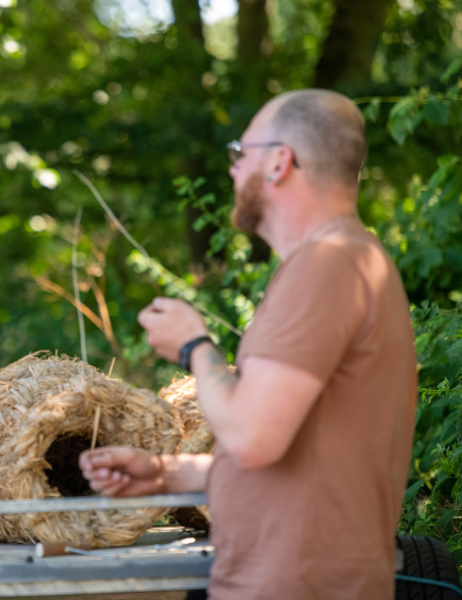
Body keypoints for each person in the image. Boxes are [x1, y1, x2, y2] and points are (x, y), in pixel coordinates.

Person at [80, 90, 416, 599]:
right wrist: (165, 475)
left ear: (280, 162)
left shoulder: (328, 263)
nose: (233, 169)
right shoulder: (338, 261)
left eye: (241, 153)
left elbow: (252, 438)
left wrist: (195, 344)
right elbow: (295, 457)